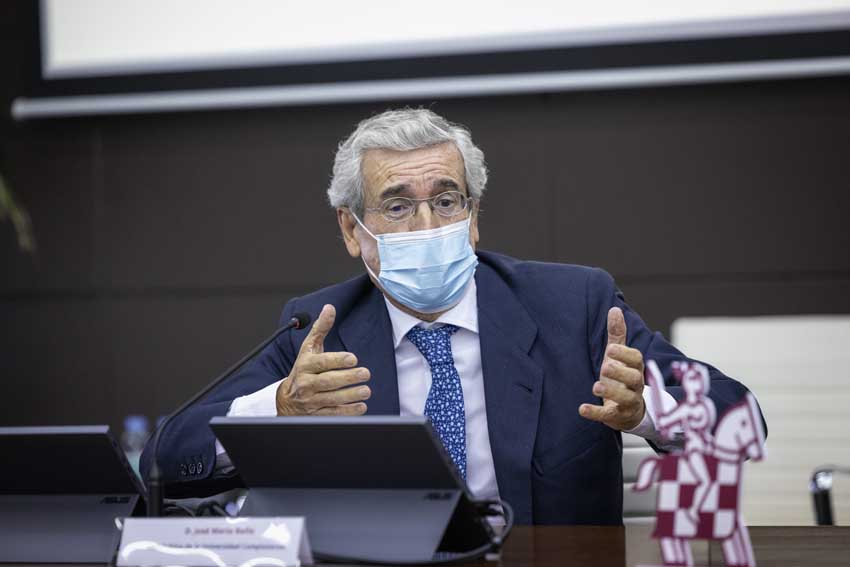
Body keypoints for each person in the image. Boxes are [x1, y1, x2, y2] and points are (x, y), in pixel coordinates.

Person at [140, 108, 765, 525]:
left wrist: (649, 410)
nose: (428, 225)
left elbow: (744, 418)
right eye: (397, 206)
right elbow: (165, 463)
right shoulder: (318, 332)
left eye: (446, 201)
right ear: (352, 230)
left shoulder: (575, 305)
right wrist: (279, 407)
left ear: (474, 216)